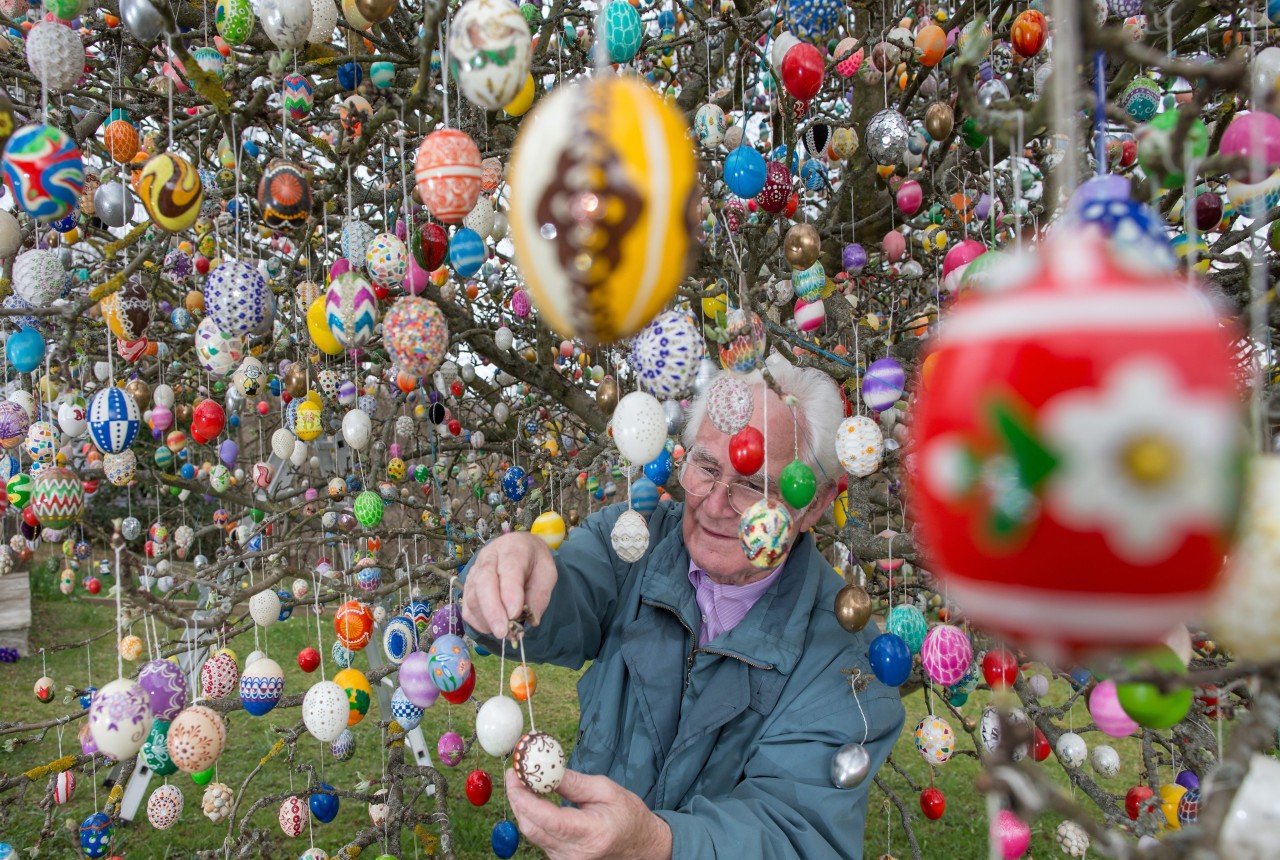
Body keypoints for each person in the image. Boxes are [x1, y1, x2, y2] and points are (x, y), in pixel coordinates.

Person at [461, 353, 905, 860]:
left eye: (752, 487)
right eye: (707, 467)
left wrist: (655, 845)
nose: (715, 505)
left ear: (816, 504)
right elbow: (561, 595)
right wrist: (504, 578)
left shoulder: (847, 664)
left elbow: (797, 836)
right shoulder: (633, 542)